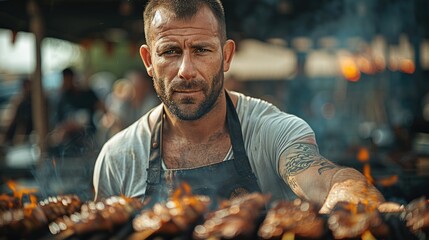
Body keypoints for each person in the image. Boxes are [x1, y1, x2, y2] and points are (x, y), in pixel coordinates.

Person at [93, 0, 386, 213]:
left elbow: (329, 181)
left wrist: (347, 201)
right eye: (169, 52)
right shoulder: (118, 158)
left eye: (202, 50)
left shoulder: (274, 132)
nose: (186, 70)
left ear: (227, 55)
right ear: (147, 61)